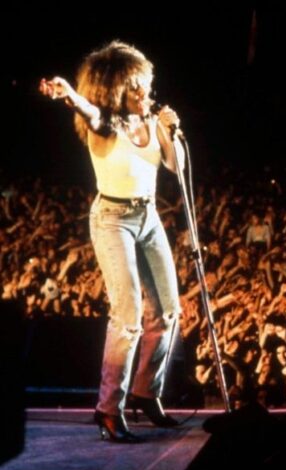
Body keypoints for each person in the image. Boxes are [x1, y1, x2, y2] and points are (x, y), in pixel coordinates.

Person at [40, 41, 185, 442]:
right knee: (128, 318)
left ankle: (145, 392)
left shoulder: (152, 121)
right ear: (117, 91)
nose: (145, 94)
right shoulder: (105, 124)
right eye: (136, 88)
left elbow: (176, 168)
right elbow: (86, 109)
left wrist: (170, 132)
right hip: (112, 219)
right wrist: (69, 94)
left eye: (146, 86)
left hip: (149, 217)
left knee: (169, 312)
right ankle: (107, 410)